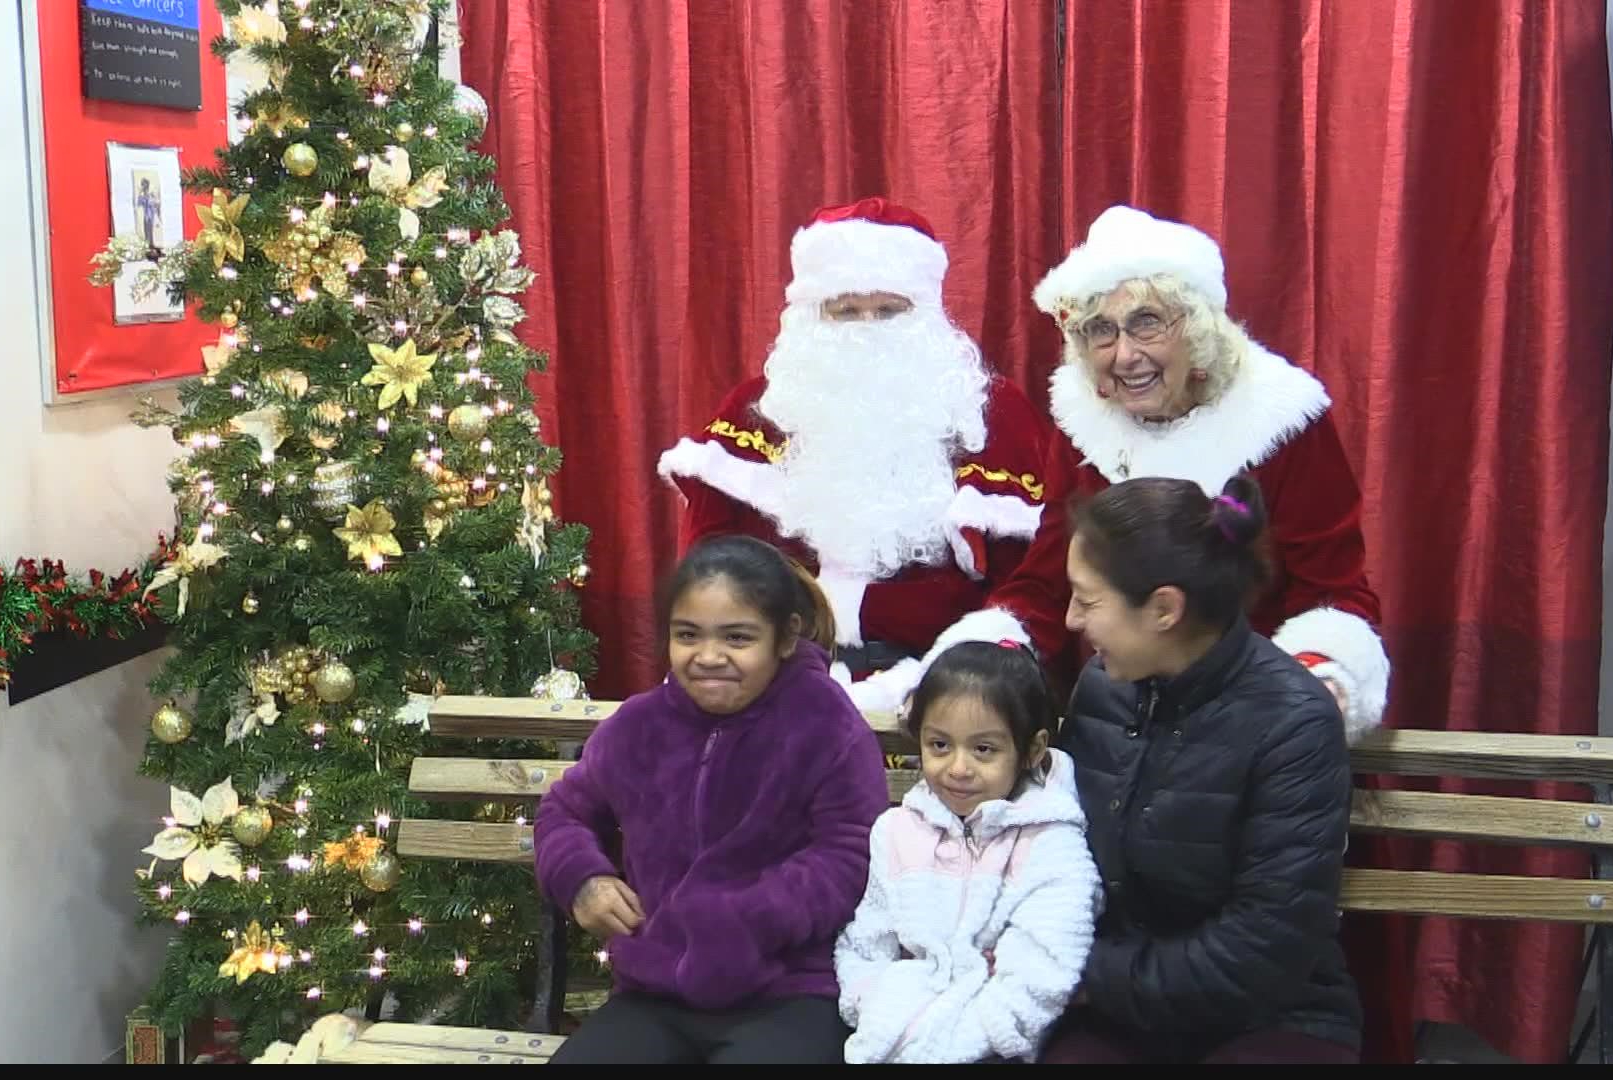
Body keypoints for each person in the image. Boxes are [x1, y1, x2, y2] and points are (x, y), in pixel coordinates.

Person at [657, 198, 1069, 713]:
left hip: (947, 693)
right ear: (813, 314)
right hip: (771, 686)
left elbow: (1032, 580)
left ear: (925, 312)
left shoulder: (993, 417)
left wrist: (961, 668)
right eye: (846, 310)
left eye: (889, 310)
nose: (868, 329)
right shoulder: (755, 412)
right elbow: (711, 565)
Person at [1030, 205, 1390, 741]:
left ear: (1197, 328)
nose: (1125, 355)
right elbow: (1045, 581)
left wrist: (1311, 685)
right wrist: (995, 650)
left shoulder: (1282, 424)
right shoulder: (1084, 429)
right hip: (1118, 723)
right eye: (1101, 331)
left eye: (1147, 322)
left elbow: (1332, 590)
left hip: (1255, 725)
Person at [532, 534, 890, 1063]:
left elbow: (849, 854)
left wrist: (738, 919)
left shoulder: (827, 726)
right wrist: (582, 879)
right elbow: (564, 810)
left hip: (789, 992)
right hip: (654, 991)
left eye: (738, 638)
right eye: (687, 635)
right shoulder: (640, 725)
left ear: (786, 637)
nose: (709, 657)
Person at [1042, 475, 1360, 1064]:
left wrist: (1086, 974)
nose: (1069, 621)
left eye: (1087, 600)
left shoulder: (1294, 721)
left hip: (1270, 1012)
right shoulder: (1102, 690)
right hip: (1117, 1005)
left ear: (1164, 608)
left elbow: (1267, 943)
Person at [833, 640, 1101, 1064]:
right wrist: (875, 1009)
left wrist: (972, 1039)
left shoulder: (1050, 842)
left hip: (996, 1044)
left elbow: (1043, 970)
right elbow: (866, 944)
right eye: (940, 745)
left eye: (984, 749)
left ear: (1032, 749)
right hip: (894, 1030)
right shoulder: (897, 830)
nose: (958, 768)